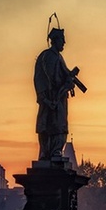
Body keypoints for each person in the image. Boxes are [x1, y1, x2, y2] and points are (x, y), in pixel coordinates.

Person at [34, 25, 82, 161]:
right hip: (53, 99)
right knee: (55, 124)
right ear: (56, 40)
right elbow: (53, 78)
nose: (64, 43)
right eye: (62, 40)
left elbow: (63, 74)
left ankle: (51, 152)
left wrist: (69, 80)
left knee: (54, 124)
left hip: (55, 98)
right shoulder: (50, 56)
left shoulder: (56, 57)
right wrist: (66, 84)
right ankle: (53, 152)